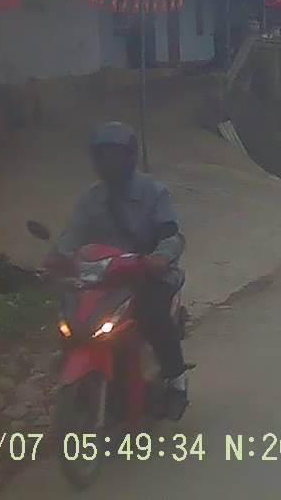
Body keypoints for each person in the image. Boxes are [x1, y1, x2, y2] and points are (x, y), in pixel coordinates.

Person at [47, 121, 189, 403]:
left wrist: (160, 257)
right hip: (104, 276)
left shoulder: (154, 193)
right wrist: (58, 255)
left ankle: (176, 378)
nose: (108, 163)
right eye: (102, 156)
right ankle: (70, 367)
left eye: (115, 156)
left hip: (147, 274)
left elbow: (171, 234)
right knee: (71, 312)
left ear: (130, 157)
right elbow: (73, 234)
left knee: (153, 314)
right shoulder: (91, 198)